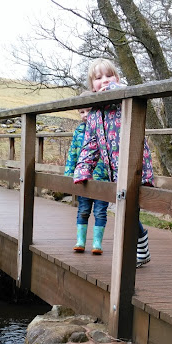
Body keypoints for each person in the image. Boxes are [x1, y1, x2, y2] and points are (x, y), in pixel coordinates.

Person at [73, 58, 154, 268]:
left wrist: (117, 89)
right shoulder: (94, 115)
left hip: (134, 166)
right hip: (114, 170)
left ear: (117, 79)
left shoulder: (123, 101)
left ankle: (137, 249)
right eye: (99, 78)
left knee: (128, 208)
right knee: (125, 209)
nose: (105, 81)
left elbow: (130, 92)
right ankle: (140, 246)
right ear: (92, 86)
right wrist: (83, 169)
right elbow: (90, 145)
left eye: (109, 76)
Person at [65, 91, 110, 254]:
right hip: (84, 178)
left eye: (88, 110)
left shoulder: (105, 128)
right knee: (83, 209)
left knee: (100, 211)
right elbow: (73, 153)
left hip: (103, 180)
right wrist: (69, 173)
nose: (85, 115)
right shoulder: (79, 131)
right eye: (81, 112)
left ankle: (97, 243)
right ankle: (80, 241)